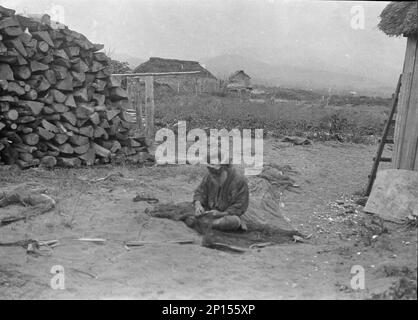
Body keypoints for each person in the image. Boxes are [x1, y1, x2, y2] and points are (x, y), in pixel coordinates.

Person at [191, 152, 249, 232]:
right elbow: (200, 192)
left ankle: (208, 224)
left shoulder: (239, 181)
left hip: (226, 215)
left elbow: (240, 206)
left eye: (216, 172)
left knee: (234, 221)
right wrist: (198, 205)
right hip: (208, 212)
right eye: (211, 170)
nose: (213, 175)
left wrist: (220, 214)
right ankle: (204, 222)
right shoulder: (209, 176)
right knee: (188, 209)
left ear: (225, 168)